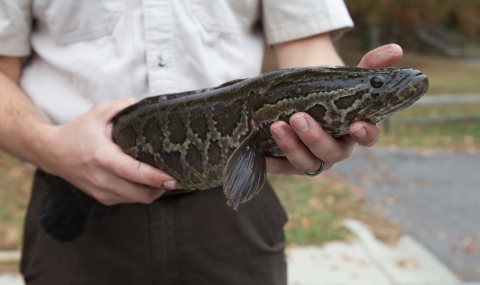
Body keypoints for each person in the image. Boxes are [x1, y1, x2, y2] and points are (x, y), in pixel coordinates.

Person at [0, 0, 402, 284]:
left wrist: (346, 88)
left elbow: (304, 41)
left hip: (233, 208)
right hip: (74, 198)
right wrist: (50, 146)